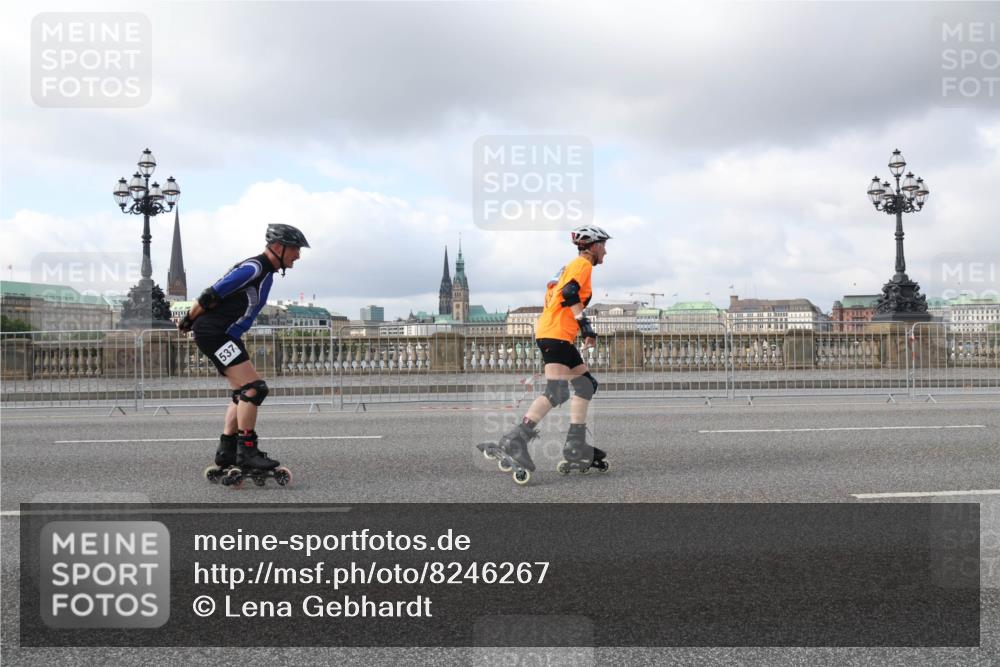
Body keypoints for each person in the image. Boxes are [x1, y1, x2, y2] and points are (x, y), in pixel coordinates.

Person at [179, 223, 309, 477]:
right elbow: (212, 293)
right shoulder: (255, 267)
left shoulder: (266, 272)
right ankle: (247, 452)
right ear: (278, 247)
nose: (298, 255)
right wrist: (188, 318)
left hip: (224, 334)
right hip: (215, 333)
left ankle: (226, 451)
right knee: (254, 389)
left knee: (242, 392)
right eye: (295, 249)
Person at [494, 224, 611, 482]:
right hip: (556, 334)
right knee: (556, 391)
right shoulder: (583, 265)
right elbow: (569, 293)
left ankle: (575, 445)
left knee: (585, 386)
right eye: (603, 245)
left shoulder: (566, 268)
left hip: (557, 334)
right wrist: (585, 325)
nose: (605, 251)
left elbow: (554, 291)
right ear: (592, 247)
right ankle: (516, 439)